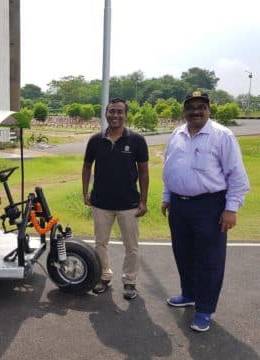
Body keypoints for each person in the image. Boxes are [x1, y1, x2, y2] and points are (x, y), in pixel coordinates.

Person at [161, 91, 250, 332]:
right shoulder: (176, 134)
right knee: (184, 253)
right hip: (179, 206)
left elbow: (237, 177)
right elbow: (169, 169)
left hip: (209, 206)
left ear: (209, 110)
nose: (196, 111)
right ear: (184, 111)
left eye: (201, 106)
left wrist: (231, 209)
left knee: (210, 260)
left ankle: (204, 309)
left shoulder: (222, 135)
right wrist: (167, 197)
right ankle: (189, 294)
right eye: (191, 107)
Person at [82, 98, 149, 300]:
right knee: (100, 243)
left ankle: (130, 282)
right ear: (106, 113)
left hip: (128, 204)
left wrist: (143, 201)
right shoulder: (95, 140)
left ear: (125, 115)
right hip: (101, 203)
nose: (115, 115)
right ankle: (104, 276)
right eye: (112, 111)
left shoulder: (137, 140)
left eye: (120, 112)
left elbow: (144, 173)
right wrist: (85, 192)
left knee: (132, 246)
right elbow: (86, 167)